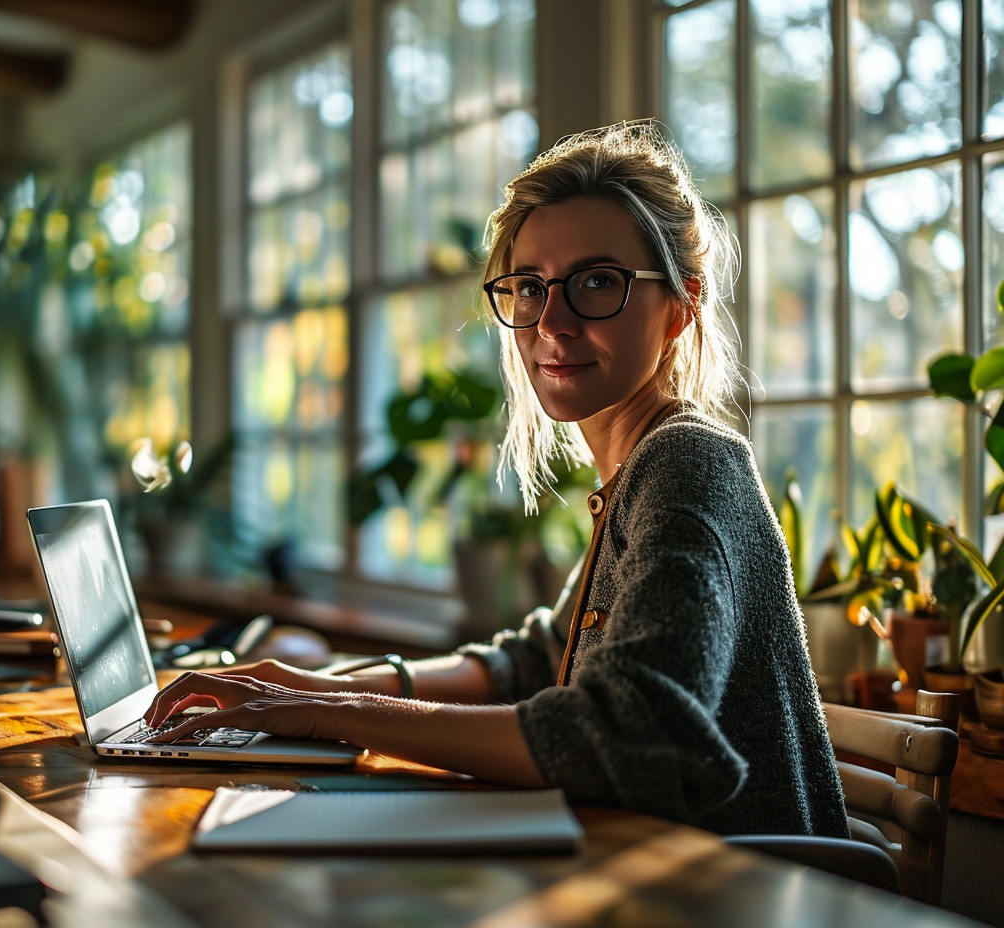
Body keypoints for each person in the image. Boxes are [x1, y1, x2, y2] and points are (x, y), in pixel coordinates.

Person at [146, 120, 849, 838]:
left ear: (680, 307)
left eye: (597, 282)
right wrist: (315, 686)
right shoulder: (637, 466)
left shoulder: (688, 461)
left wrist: (330, 712)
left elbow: (634, 732)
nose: (553, 322)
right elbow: (540, 659)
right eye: (529, 288)